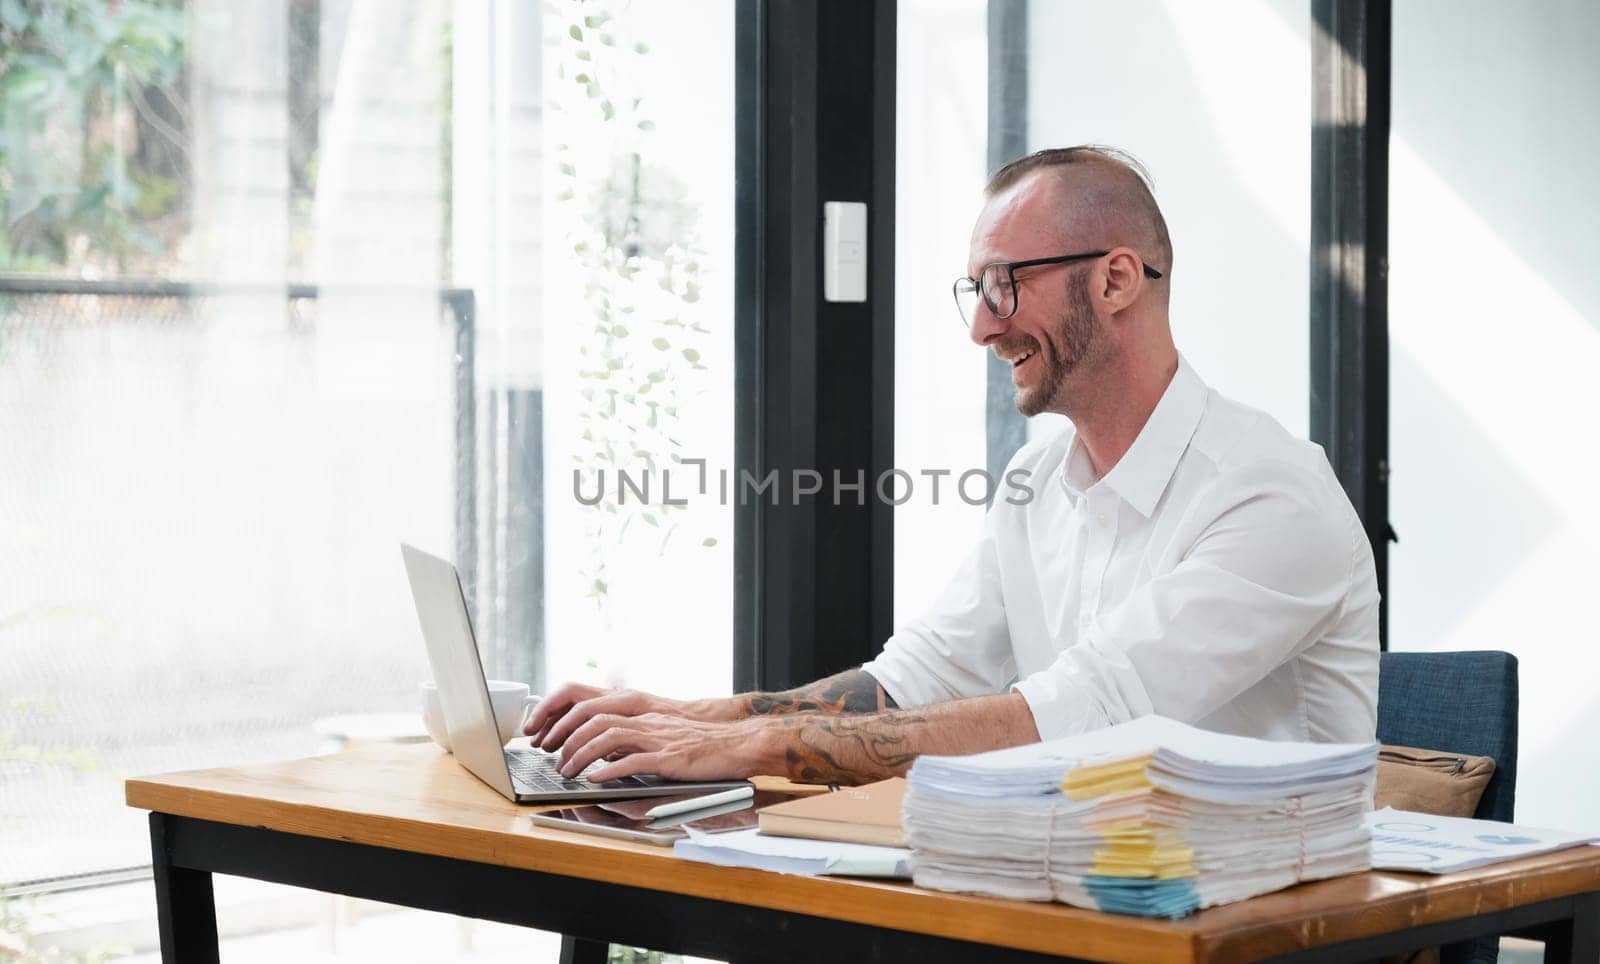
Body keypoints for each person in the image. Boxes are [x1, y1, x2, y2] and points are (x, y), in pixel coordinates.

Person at [524, 145, 1380, 786]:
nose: (981, 328)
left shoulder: (1272, 494)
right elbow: (911, 683)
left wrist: (744, 745)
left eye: (1003, 284)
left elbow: (1082, 717)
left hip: (1272, 924)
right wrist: (681, 716)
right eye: (975, 292)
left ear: (1117, 280)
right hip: (1089, 894)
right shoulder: (1036, 485)